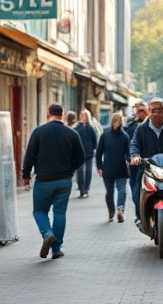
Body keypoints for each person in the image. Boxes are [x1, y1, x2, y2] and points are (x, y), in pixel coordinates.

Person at [22, 103, 85, 260]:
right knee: (59, 212)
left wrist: (26, 176)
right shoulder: (72, 134)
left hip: (44, 180)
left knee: (39, 211)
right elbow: (81, 157)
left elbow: (29, 155)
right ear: (62, 114)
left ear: (48, 113)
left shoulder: (39, 132)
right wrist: (70, 169)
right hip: (64, 180)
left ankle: (47, 233)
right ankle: (56, 249)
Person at [95, 112, 131, 222]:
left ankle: (111, 211)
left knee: (109, 191)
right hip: (121, 167)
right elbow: (128, 154)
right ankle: (120, 208)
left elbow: (98, 153)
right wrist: (130, 163)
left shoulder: (105, 136)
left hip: (108, 168)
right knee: (121, 189)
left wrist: (99, 166)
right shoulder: (125, 137)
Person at [125, 101, 150, 223]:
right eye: (137, 111)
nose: (139, 114)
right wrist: (127, 160)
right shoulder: (132, 126)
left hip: (150, 164)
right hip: (135, 164)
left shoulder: (153, 125)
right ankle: (139, 214)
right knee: (135, 188)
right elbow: (128, 144)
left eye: (141, 111)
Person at [75, 109, 99, 198]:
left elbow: (94, 140)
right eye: (81, 115)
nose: (82, 116)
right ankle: (81, 189)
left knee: (88, 172)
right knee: (79, 172)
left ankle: (86, 189)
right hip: (79, 153)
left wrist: (94, 149)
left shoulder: (90, 127)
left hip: (89, 153)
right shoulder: (77, 127)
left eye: (84, 115)